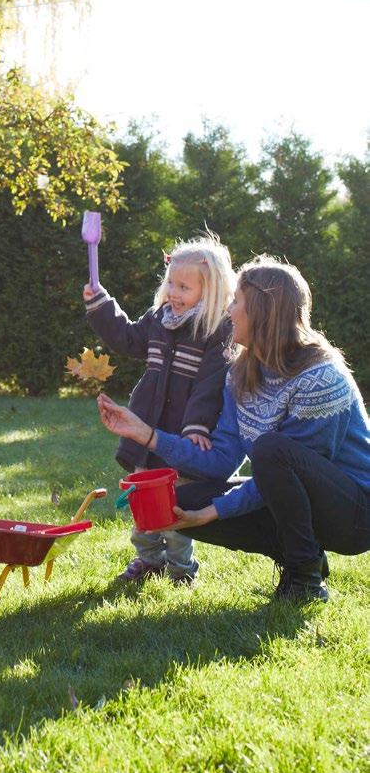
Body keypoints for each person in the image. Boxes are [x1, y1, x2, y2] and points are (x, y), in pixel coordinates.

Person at [97, 256, 370, 602]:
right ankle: (298, 553)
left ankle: (305, 579)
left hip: (355, 514)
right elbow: (221, 461)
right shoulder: (241, 375)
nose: (227, 310)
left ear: (261, 312)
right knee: (181, 499)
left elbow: (291, 472)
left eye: (236, 301)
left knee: (272, 451)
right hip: (299, 498)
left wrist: (212, 512)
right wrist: (146, 434)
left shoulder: (320, 378)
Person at [84, 234, 235, 585]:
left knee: (176, 500)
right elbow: (126, 338)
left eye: (184, 287)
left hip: (181, 433)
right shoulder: (158, 318)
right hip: (147, 423)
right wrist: (101, 305)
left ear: (210, 291)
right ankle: (148, 559)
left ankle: (182, 568)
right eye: (171, 283)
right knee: (142, 498)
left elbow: (211, 384)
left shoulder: (215, 330)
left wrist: (196, 426)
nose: (174, 293)